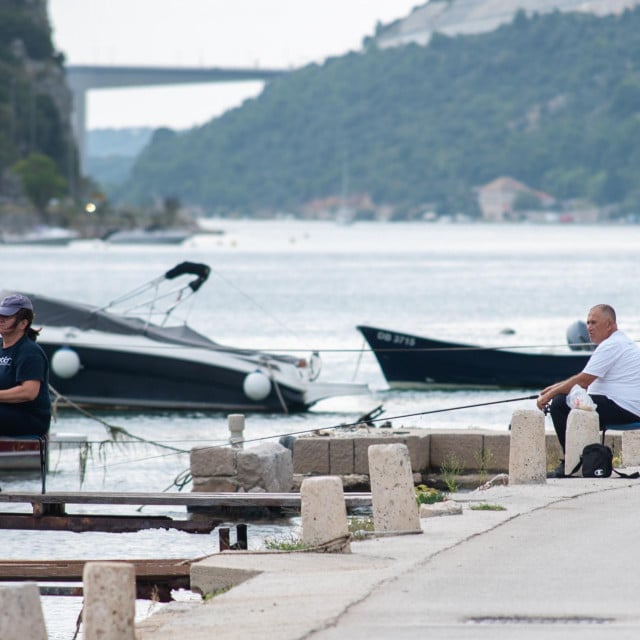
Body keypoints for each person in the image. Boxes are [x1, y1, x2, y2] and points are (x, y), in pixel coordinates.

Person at [537, 304, 640, 477]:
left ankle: (572, 464)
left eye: (594, 323)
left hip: (624, 409)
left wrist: (550, 395)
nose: (589, 328)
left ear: (609, 325)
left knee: (560, 404)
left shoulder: (611, 346)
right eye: (587, 323)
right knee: (568, 400)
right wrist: (554, 388)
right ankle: (583, 460)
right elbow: (583, 380)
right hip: (625, 407)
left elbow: (583, 381)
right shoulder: (620, 342)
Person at [0, 293, 51, 438]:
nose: (1, 320)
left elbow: (28, 392)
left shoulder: (29, 352)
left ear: (23, 323)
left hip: (28, 419)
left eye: (7, 317)